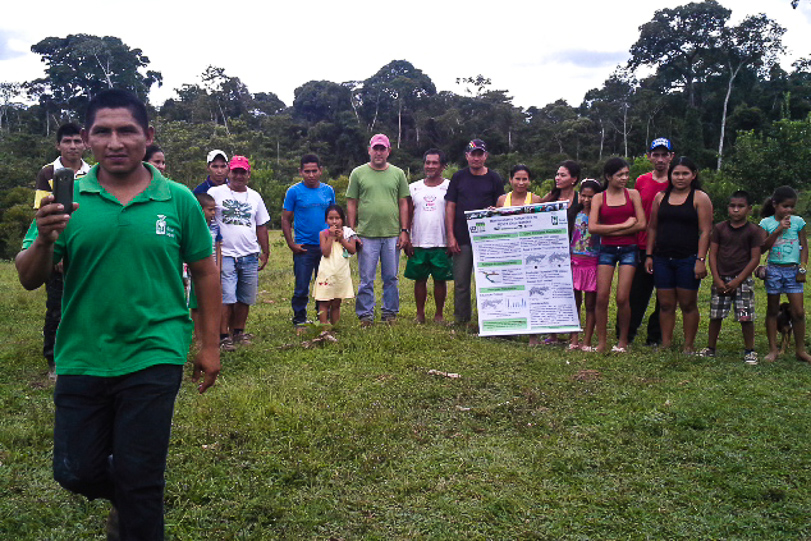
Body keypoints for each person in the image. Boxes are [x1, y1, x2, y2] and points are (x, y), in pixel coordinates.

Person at [15, 89, 220, 540]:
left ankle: (135, 499)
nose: (115, 141)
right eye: (103, 132)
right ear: (86, 140)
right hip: (82, 353)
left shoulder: (179, 199)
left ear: (147, 136)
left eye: (126, 130)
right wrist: (47, 239)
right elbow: (28, 276)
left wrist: (209, 345)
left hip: (155, 351)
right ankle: (127, 496)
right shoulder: (64, 199)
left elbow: (206, 272)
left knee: (142, 480)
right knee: (75, 470)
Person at [32, 122, 91, 380]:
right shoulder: (47, 172)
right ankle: (53, 359)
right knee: (55, 304)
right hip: (58, 242)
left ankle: (82, 350)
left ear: (85, 144)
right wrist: (54, 248)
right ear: (58, 145)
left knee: (84, 299)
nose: (73, 146)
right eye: (67, 142)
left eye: (78, 141)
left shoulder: (93, 172)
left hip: (85, 243)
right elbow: (40, 212)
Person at [644, 157, 713, 354]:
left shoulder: (700, 198)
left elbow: (706, 232)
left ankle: (688, 346)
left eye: (685, 173)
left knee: (688, 304)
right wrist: (649, 255)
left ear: (694, 175)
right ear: (670, 175)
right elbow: (653, 227)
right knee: (665, 304)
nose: (680, 178)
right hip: (662, 258)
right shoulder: (660, 197)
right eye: (676, 173)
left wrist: (701, 260)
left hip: (688, 259)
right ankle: (665, 344)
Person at [346, 133, 410, 325]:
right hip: (366, 234)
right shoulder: (358, 173)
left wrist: (404, 230)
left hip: (392, 234)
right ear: (369, 150)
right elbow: (351, 202)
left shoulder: (398, 174)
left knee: (391, 277)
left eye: (383, 149)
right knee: (366, 278)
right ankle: (365, 314)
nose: (379, 152)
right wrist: (352, 231)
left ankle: (389, 313)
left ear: (388, 151)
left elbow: (403, 203)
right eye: (376, 148)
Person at [209, 155, 270, 349]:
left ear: (248, 174)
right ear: (229, 171)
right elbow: (205, 216)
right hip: (225, 253)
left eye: (242, 172)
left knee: (245, 297)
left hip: (249, 254)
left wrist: (265, 251)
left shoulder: (255, 196)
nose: (238, 176)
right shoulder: (215, 193)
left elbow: (261, 226)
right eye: (235, 171)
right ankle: (223, 335)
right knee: (227, 296)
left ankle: (238, 332)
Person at [588, 158, 646, 353]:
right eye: (620, 175)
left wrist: (610, 230)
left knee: (622, 297)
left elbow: (641, 224)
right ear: (608, 177)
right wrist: (624, 226)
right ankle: (602, 342)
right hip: (607, 250)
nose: (624, 178)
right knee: (602, 297)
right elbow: (593, 227)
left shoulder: (633, 194)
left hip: (630, 249)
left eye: (626, 174)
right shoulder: (599, 198)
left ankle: (622, 341)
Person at [445, 139, 505, 326]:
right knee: (461, 281)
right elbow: (450, 206)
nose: (476, 158)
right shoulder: (458, 177)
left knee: (487, 282)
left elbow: (501, 204)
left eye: (480, 154)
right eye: (473, 154)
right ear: (467, 156)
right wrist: (451, 236)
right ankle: (461, 319)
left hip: (487, 239)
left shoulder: (494, 178)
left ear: (485, 156)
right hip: (462, 237)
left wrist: (493, 208)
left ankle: (489, 319)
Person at [700, 191, 764, 364]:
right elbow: (712, 254)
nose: (736, 210)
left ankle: (750, 350)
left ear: (749, 209)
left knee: (745, 316)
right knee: (716, 315)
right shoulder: (720, 228)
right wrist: (717, 278)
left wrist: (738, 280)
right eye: (732, 206)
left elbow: (755, 258)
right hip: (721, 279)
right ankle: (710, 348)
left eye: (740, 206)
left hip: (742, 282)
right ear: (728, 208)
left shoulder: (754, 231)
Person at [626, 138, 675, 346]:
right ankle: (627, 333)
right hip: (641, 245)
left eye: (665, 155)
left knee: (664, 296)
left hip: (667, 246)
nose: (661, 159)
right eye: (656, 155)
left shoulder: (677, 181)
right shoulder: (641, 181)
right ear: (649, 157)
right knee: (637, 293)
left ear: (671, 157)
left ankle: (654, 336)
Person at [282, 154, 335, 329]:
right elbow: (285, 218)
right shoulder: (294, 192)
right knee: (302, 286)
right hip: (304, 247)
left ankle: (322, 318)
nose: (311, 175)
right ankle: (299, 319)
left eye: (314, 171)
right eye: (307, 171)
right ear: (300, 172)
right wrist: (291, 243)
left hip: (325, 246)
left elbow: (334, 217)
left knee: (324, 284)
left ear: (321, 171)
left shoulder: (328, 191)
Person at [759, 186, 811, 363]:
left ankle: (800, 350)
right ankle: (773, 349)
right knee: (773, 310)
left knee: (798, 312)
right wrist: (778, 229)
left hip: (793, 271)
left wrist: (802, 268)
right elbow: (762, 247)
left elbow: (804, 247)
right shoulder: (766, 223)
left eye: (791, 207)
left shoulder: (798, 222)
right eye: (785, 206)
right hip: (774, 270)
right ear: (775, 204)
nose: (788, 210)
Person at [405, 149, 454, 324]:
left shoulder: (449, 187)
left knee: (440, 280)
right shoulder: (414, 187)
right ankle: (420, 314)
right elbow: (408, 214)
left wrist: (451, 238)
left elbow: (453, 212)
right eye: (428, 162)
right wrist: (407, 237)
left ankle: (439, 315)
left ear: (443, 166)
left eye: (435, 163)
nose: (430, 166)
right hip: (418, 240)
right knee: (420, 279)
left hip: (441, 241)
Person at [496, 164, 542, 344]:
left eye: (525, 179)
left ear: (530, 181)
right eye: (517, 178)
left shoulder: (536, 200)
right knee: (509, 291)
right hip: (508, 253)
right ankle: (509, 328)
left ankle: (533, 335)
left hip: (530, 253)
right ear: (510, 180)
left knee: (531, 292)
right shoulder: (502, 200)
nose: (521, 183)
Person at [539, 160, 580, 344]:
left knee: (573, 293)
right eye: (557, 174)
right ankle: (553, 334)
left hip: (574, 253)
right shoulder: (551, 198)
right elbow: (529, 211)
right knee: (552, 292)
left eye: (563, 175)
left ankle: (573, 334)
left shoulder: (580, 199)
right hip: (552, 253)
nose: (558, 178)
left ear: (574, 179)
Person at [569, 179, 602, 351]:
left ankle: (587, 340)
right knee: (575, 303)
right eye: (584, 195)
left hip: (592, 264)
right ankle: (574, 339)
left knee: (590, 304)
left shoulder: (601, 216)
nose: (587, 200)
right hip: (575, 262)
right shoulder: (575, 213)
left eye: (591, 196)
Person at [314, 205, 358, 326]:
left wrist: (342, 239)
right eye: (330, 218)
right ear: (326, 220)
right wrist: (331, 237)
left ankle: (335, 326)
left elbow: (352, 250)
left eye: (337, 218)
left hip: (341, 272)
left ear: (342, 219)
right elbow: (326, 252)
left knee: (336, 302)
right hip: (327, 271)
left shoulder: (349, 233)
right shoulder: (323, 234)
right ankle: (323, 327)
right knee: (324, 301)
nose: (334, 221)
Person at [190, 192, 223, 347]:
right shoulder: (192, 227)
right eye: (210, 210)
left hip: (212, 270)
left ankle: (210, 336)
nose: (213, 213)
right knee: (196, 305)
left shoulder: (216, 227)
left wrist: (218, 269)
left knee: (210, 303)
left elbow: (218, 248)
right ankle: (198, 336)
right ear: (200, 209)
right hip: (195, 272)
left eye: (214, 210)